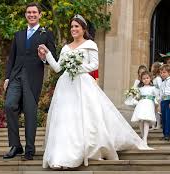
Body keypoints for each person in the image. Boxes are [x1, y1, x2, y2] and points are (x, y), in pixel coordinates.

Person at [37, 14, 151, 169]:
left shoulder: (90, 44)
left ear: (83, 29)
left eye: (77, 26)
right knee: (65, 119)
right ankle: (61, 156)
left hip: (83, 84)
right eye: (72, 27)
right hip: (66, 86)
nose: (73, 29)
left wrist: (76, 67)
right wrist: (47, 55)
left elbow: (94, 65)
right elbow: (58, 68)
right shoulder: (65, 48)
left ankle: (85, 150)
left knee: (85, 117)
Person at [3, 2, 56, 160]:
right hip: (16, 76)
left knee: (30, 113)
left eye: (34, 12)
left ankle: (30, 149)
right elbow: (11, 57)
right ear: (26, 15)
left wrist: (44, 58)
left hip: (33, 78)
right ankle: (16, 145)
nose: (31, 15)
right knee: (9, 105)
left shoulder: (46, 34)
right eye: (28, 12)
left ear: (40, 15)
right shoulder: (18, 34)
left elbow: (54, 56)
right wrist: (7, 77)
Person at [131, 71, 158, 144]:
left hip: (149, 104)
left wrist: (156, 103)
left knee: (146, 121)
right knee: (140, 121)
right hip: (141, 104)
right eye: (144, 78)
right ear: (141, 80)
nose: (146, 80)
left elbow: (156, 97)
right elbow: (137, 96)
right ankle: (142, 136)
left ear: (150, 78)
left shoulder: (153, 88)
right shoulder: (140, 88)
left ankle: (145, 138)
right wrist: (134, 97)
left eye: (147, 78)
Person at [159, 64, 170, 141]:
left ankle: (168, 135)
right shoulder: (162, 83)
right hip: (163, 101)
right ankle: (164, 134)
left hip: (169, 101)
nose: (162, 74)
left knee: (168, 118)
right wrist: (160, 103)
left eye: (164, 72)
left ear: (169, 72)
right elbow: (161, 94)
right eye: (161, 72)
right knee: (163, 118)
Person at [151, 62, 162, 129]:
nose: (151, 68)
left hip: (157, 96)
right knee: (154, 111)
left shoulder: (158, 78)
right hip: (153, 96)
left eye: (152, 67)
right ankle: (154, 125)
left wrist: (159, 97)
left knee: (158, 111)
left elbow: (160, 87)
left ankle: (158, 125)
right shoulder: (154, 78)